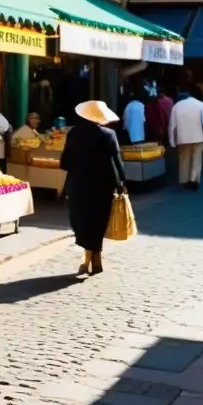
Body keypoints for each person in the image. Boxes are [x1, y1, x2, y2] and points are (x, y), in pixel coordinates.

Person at [60, 100, 126, 277]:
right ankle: (94, 255)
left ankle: (88, 258)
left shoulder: (73, 133)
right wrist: (122, 184)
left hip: (78, 185)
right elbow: (118, 163)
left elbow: (64, 163)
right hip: (102, 186)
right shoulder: (109, 135)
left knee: (81, 221)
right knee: (98, 221)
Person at [169, 87, 203, 190]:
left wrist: (172, 142)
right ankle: (193, 180)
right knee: (196, 160)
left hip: (182, 138)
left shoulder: (176, 106)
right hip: (198, 137)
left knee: (184, 160)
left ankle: (184, 180)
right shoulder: (200, 105)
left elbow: (171, 126)